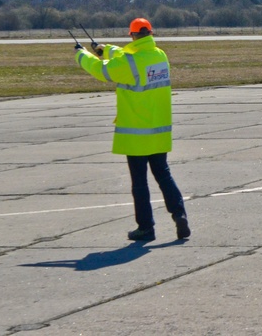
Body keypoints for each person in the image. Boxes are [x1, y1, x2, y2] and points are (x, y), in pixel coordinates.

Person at [74, 17, 190, 242]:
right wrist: (106, 49)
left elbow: (102, 71)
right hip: (159, 130)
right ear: (150, 33)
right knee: (163, 175)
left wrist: (82, 55)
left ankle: (146, 228)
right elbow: (127, 56)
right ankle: (179, 215)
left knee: (139, 182)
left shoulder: (130, 61)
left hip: (136, 131)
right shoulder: (159, 55)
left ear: (132, 35)